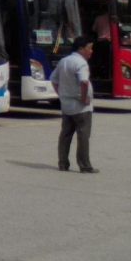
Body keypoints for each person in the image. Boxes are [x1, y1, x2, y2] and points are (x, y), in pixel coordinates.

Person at [50, 35, 98, 174]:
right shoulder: (81, 63)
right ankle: (85, 165)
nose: (91, 51)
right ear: (81, 49)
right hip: (81, 107)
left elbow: (53, 79)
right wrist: (83, 98)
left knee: (65, 135)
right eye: (89, 48)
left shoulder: (64, 61)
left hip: (66, 105)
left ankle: (63, 163)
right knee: (83, 136)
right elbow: (84, 82)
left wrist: (61, 95)